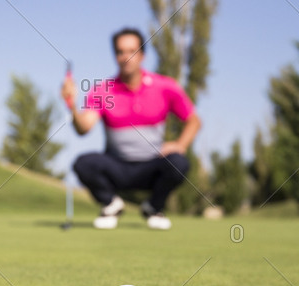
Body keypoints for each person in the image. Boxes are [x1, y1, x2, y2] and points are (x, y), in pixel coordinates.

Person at [61, 28, 201, 230]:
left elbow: (194, 120)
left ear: (142, 55)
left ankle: (153, 207)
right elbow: (84, 128)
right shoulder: (103, 90)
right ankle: (111, 205)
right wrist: (72, 106)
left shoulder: (164, 87)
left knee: (179, 162)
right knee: (83, 163)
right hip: (116, 167)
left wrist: (180, 144)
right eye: (120, 52)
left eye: (132, 51)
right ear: (115, 55)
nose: (126, 57)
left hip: (151, 166)